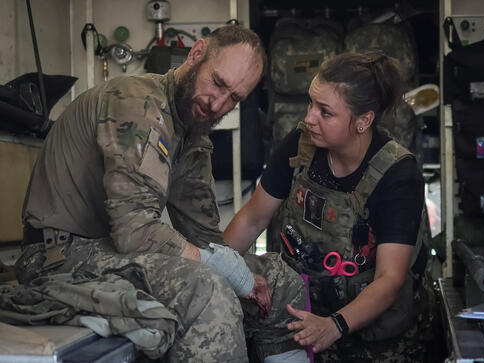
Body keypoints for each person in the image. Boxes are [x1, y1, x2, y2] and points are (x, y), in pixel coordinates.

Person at [13, 25, 306, 362]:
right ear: (196, 55)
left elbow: (206, 237)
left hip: (110, 252)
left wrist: (242, 272)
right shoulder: (138, 102)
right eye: (218, 83)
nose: (218, 103)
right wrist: (234, 275)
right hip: (57, 256)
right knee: (206, 287)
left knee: (280, 281)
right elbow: (134, 230)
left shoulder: (191, 133)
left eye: (234, 98)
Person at [224, 50, 431, 361]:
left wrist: (334, 325)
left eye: (325, 112)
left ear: (363, 121)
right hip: (305, 322)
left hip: (380, 343)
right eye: (311, 103)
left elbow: (390, 278)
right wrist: (215, 273)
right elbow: (253, 220)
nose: (309, 118)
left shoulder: (397, 174)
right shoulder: (300, 145)